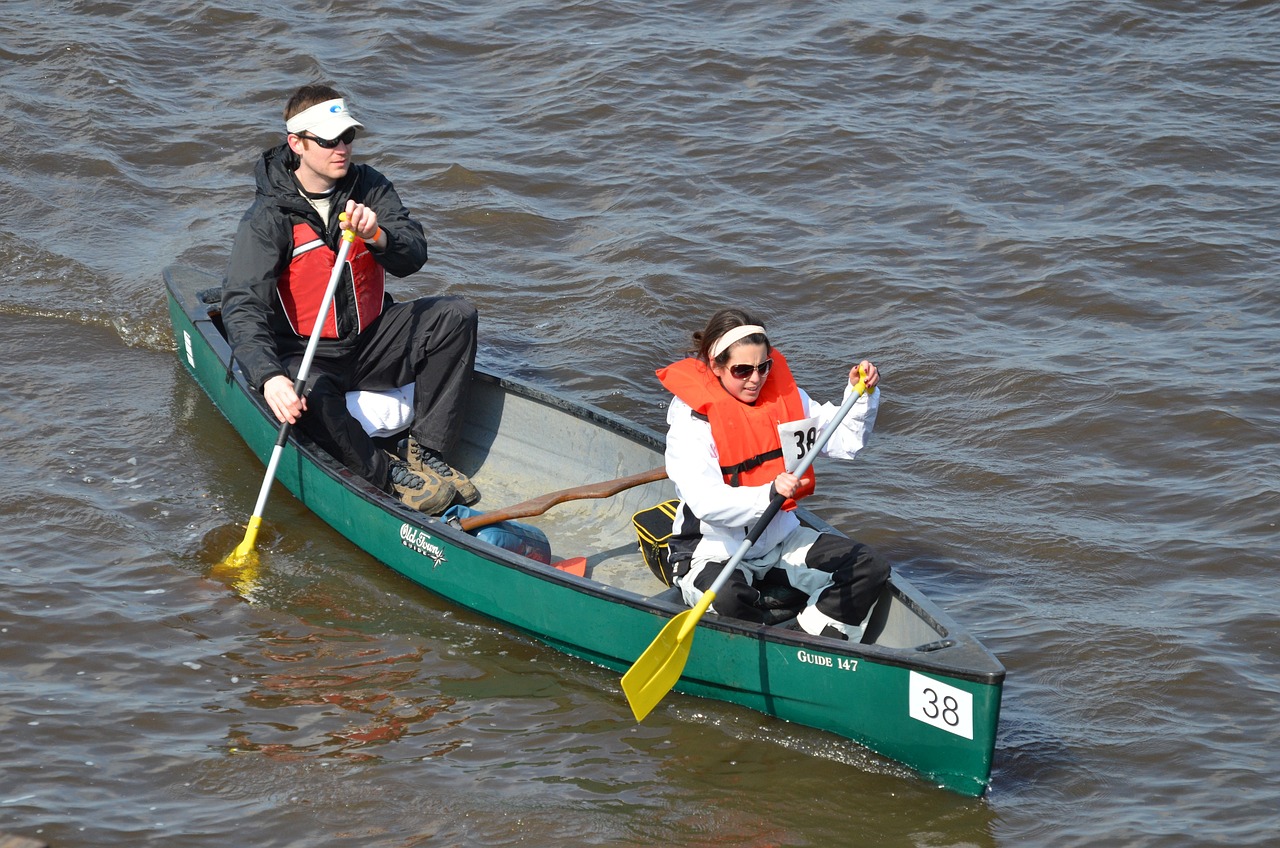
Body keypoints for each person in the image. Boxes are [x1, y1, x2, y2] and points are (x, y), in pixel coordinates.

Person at [222, 83, 479, 515]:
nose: (342, 148)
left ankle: (427, 450)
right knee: (311, 392)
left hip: (371, 341)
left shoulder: (370, 186)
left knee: (456, 315)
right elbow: (241, 304)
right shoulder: (268, 218)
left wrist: (378, 235)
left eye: (348, 137)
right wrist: (269, 377)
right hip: (307, 355)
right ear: (297, 144)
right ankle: (386, 477)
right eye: (328, 140)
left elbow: (413, 254)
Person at [657, 308, 889, 641]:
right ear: (716, 365)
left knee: (869, 567)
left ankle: (804, 641)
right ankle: (763, 623)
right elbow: (706, 503)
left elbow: (844, 442)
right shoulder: (692, 424)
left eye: (763, 367)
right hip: (714, 549)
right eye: (742, 370)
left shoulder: (784, 400)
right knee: (729, 600)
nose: (755, 379)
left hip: (780, 539)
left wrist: (859, 396)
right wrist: (768, 493)